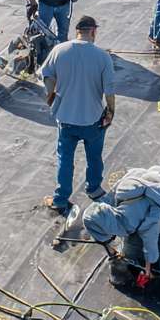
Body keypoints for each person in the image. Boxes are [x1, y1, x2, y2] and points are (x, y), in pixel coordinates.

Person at [40, 15, 115, 215]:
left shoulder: (59, 50)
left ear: (77, 31)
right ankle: (94, 189)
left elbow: (47, 75)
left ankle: (61, 199)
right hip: (93, 119)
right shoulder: (102, 57)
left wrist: (50, 96)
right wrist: (111, 112)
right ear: (93, 31)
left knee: (65, 159)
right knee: (94, 156)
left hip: (66, 118)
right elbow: (109, 90)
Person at [83, 164, 160, 285]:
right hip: (152, 174)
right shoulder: (121, 191)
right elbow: (94, 215)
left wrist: (148, 271)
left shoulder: (150, 217)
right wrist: (111, 251)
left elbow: (150, 244)